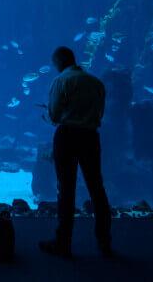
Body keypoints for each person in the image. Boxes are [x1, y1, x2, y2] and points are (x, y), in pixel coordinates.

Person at [39, 46, 112, 258]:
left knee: (66, 188)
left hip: (67, 135)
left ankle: (63, 242)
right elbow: (100, 112)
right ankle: (104, 240)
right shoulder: (96, 83)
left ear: (59, 62)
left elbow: (54, 114)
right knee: (97, 187)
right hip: (90, 136)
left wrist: (49, 117)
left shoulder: (61, 81)